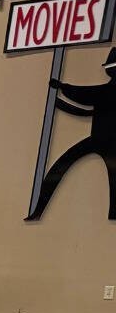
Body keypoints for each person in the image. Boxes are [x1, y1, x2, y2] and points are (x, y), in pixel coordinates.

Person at [27, 47, 116, 221]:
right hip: (97, 139)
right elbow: (86, 100)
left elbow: (86, 95)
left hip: (107, 142)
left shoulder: (106, 91)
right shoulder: (105, 92)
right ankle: (38, 211)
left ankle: (38, 211)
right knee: (61, 165)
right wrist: (61, 92)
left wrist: (62, 87)